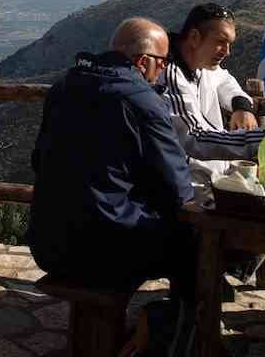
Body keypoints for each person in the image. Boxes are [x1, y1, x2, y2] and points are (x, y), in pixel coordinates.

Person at [27, 17, 196, 302]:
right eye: (164, 61)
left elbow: (37, 160)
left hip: (47, 244)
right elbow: (177, 187)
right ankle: (175, 334)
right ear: (143, 62)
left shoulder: (63, 86)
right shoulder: (143, 100)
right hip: (108, 248)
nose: (166, 68)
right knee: (196, 243)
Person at [160, 3, 262, 187]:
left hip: (213, 182)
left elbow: (224, 80)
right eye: (220, 42)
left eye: (229, 44)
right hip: (189, 190)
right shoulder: (170, 75)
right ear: (194, 37)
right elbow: (195, 138)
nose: (227, 51)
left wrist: (241, 106)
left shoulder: (202, 64)